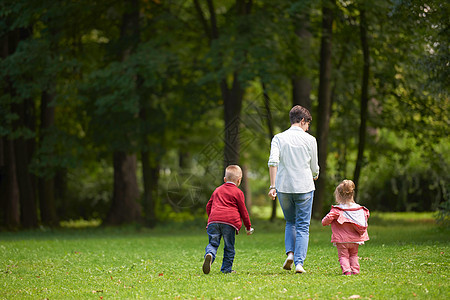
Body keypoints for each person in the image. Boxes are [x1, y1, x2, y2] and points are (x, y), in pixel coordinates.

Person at [268, 105, 319, 273]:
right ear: (302, 120)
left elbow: (273, 162)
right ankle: (299, 263)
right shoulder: (310, 140)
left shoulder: (278, 138)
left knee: (290, 222)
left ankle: (290, 254)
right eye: (308, 124)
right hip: (304, 186)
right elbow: (314, 166)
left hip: (284, 186)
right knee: (303, 226)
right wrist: (315, 174)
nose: (308, 128)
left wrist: (273, 186)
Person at [202, 165, 254, 274]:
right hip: (229, 223)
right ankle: (226, 269)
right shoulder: (238, 192)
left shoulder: (217, 190)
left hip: (214, 221)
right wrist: (248, 227)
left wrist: (211, 218)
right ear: (239, 180)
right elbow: (243, 211)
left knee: (213, 243)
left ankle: (210, 254)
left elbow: (208, 206)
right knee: (229, 246)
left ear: (225, 179)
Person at [321, 179, 370, 275]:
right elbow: (365, 218)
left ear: (338, 196)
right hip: (355, 239)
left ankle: (347, 271)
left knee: (343, 256)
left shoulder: (337, 210)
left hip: (342, 239)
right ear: (352, 194)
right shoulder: (359, 209)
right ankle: (355, 270)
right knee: (354, 255)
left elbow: (325, 221)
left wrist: (327, 221)